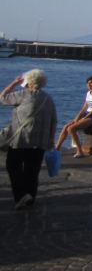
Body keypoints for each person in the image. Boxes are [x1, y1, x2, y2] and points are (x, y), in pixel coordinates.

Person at [0, 69, 57, 210]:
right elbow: (54, 121)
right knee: (32, 171)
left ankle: (21, 196)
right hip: (40, 141)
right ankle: (30, 198)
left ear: (29, 83)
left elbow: (3, 98)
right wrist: (51, 138)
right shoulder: (48, 99)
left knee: (13, 166)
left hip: (21, 139)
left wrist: (14, 83)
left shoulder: (24, 95)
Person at [55, 75, 92, 158]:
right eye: (88, 83)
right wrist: (77, 118)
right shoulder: (88, 93)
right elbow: (84, 107)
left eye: (91, 83)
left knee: (71, 129)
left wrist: (84, 118)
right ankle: (56, 149)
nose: (89, 85)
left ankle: (80, 151)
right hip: (86, 115)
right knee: (66, 126)